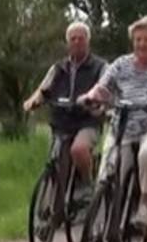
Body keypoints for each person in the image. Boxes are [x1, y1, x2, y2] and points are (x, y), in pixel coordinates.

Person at [78, 15, 147, 232]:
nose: (141, 44)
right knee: (109, 170)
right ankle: (102, 220)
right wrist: (91, 96)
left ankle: (146, 202)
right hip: (123, 126)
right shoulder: (121, 64)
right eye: (138, 39)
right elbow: (103, 87)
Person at [22, 21, 107, 218]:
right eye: (73, 39)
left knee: (78, 149)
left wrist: (93, 101)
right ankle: (54, 212)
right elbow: (44, 89)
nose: (77, 42)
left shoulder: (100, 67)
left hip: (87, 121)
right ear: (67, 42)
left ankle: (86, 184)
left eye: (81, 38)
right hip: (61, 122)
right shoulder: (59, 68)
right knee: (58, 164)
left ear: (88, 41)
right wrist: (32, 101)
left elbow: (104, 89)